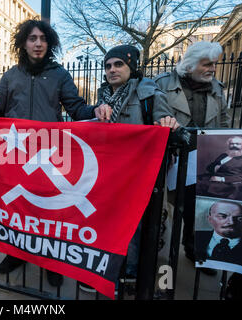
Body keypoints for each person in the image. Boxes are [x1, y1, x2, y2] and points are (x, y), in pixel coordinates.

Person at [0, 19, 98, 287]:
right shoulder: (10, 75)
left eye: (43, 38)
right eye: (32, 38)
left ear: (49, 43)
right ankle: (17, 254)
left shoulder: (60, 74)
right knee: (19, 207)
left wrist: (95, 111)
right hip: (15, 155)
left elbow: (76, 108)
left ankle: (50, 261)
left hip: (51, 153)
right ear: (23, 43)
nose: (38, 43)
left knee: (49, 211)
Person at [93, 45, 179, 286]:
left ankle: (131, 271)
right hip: (109, 173)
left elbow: (168, 125)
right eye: (108, 66)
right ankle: (110, 269)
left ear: (132, 66)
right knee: (109, 223)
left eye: (118, 64)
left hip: (139, 177)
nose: (112, 70)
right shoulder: (102, 96)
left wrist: (169, 124)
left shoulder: (148, 94)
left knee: (135, 225)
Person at [155, 41, 229, 276]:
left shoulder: (216, 87)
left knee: (200, 207)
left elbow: (224, 121)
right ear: (189, 66)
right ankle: (157, 248)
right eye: (207, 64)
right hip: (172, 158)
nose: (212, 69)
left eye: (214, 64)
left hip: (206, 157)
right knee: (166, 205)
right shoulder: (163, 84)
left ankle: (194, 248)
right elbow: (155, 117)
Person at [195, 200, 242, 265]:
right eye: (223, 216)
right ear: (209, 219)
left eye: (239, 218)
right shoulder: (196, 236)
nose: (231, 222)